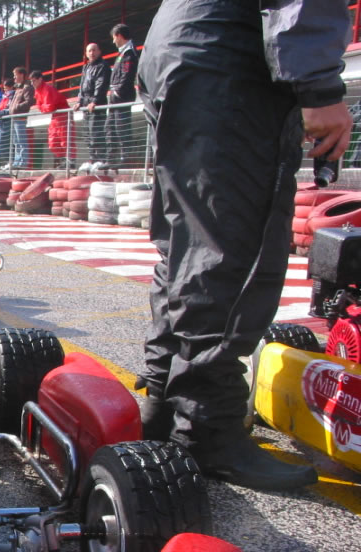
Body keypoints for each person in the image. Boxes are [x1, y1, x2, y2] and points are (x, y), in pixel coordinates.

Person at [136, 0, 352, 491]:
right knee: (234, 244)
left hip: (180, 42)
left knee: (187, 238)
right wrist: (318, 85)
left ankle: (162, 402)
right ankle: (207, 429)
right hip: (230, 55)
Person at [105, 24, 139, 171]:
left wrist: (117, 91)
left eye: (114, 38)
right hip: (114, 98)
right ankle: (111, 158)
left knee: (122, 128)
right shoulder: (122, 54)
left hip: (122, 97)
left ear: (119, 35)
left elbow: (127, 74)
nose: (113, 41)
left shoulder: (129, 53)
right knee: (109, 127)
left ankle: (124, 158)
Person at [30, 70, 74, 169]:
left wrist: (42, 108)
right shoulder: (39, 91)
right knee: (53, 142)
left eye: (34, 81)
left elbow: (49, 107)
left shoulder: (47, 89)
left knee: (65, 139)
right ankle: (64, 161)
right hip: (55, 117)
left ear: (40, 79)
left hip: (63, 115)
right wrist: (43, 108)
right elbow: (41, 106)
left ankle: (70, 162)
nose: (32, 84)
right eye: (31, 82)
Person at [78, 43, 110, 169]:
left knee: (96, 132)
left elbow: (101, 84)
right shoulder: (86, 67)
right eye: (89, 51)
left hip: (96, 104)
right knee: (87, 133)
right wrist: (79, 101)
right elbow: (82, 86)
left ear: (99, 51)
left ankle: (100, 159)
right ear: (86, 53)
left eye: (94, 50)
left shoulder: (103, 66)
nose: (92, 53)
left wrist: (95, 101)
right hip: (86, 104)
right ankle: (92, 158)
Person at [7, 67, 35, 170]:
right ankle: (17, 161)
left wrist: (15, 108)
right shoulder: (18, 88)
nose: (14, 77)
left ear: (22, 75)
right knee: (16, 141)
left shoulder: (27, 87)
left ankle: (22, 162)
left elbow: (29, 101)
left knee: (21, 140)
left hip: (20, 117)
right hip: (14, 117)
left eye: (16, 75)